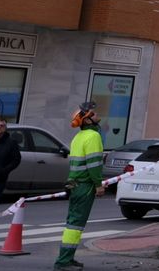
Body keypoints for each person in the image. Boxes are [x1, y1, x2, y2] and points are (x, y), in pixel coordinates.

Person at [54, 102, 106, 270]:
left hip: (75, 184)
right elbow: (94, 164)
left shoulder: (78, 137)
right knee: (76, 224)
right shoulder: (93, 136)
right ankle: (63, 261)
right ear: (88, 120)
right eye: (93, 113)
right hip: (85, 185)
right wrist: (98, 184)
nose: (97, 114)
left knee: (73, 222)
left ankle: (68, 259)